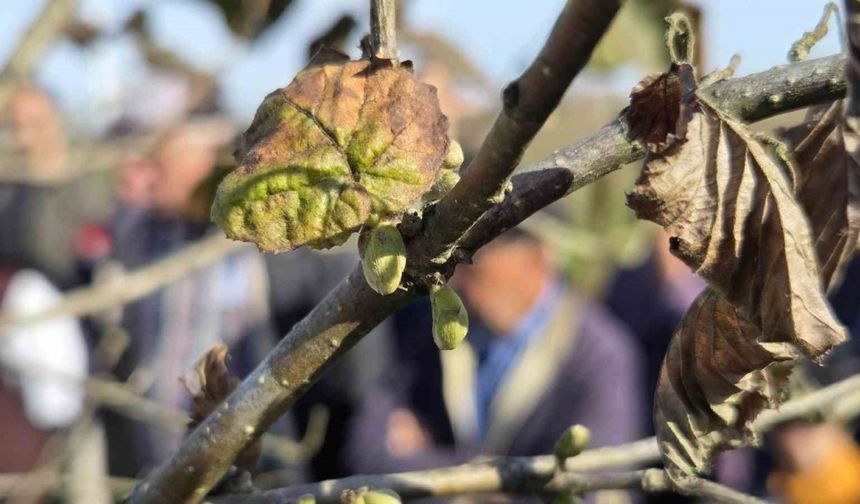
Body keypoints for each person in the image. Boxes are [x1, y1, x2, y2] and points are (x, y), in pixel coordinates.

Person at [346, 226, 646, 501]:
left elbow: (590, 490)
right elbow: (369, 453)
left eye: (475, 255)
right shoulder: (425, 327)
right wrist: (507, 481)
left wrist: (436, 463)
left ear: (539, 256)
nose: (456, 274)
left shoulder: (599, 357)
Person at [103, 120, 280, 477]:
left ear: (201, 174)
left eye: (163, 169)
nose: (152, 180)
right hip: (160, 442)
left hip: (238, 438)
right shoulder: (147, 234)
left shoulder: (245, 238)